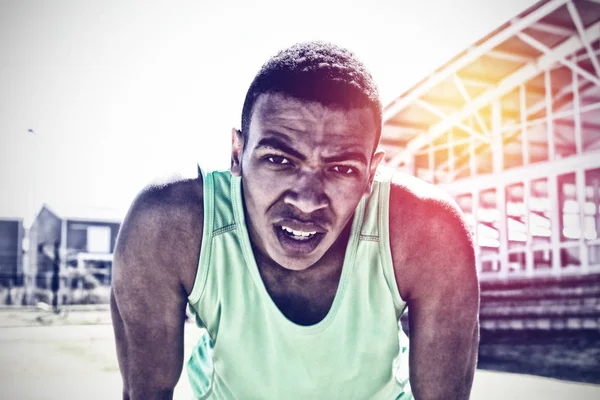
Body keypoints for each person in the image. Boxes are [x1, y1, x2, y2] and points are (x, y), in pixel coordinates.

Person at [110, 41, 479, 400]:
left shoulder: (429, 233)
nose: (306, 201)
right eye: (279, 160)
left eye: (340, 168)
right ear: (237, 154)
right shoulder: (170, 225)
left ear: (371, 174)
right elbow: (146, 392)